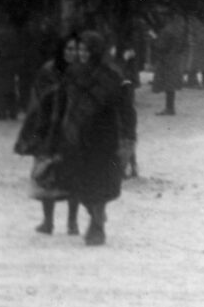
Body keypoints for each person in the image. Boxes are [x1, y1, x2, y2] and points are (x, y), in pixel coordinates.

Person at [58, 30, 125, 246]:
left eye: (87, 50)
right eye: (80, 50)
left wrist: (128, 136)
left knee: (99, 181)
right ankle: (95, 215)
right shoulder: (73, 72)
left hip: (103, 135)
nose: (82, 54)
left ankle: (97, 226)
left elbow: (124, 107)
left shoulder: (111, 75)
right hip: (78, 134)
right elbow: (66, 102)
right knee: (81, 183)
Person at [15, 33, 80, 236]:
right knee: (46, 174)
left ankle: (72, 222)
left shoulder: (82, 71)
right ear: (62, 50)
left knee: (73, 176)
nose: (72, 53)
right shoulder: (48, 71)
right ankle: (48, 221)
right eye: (68, 49)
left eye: (75, 49)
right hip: (48, 129)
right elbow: (37, 100)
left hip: (72, 129)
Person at [151, 13, 187, 116]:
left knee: (168, 84)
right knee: (171, 85)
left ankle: (169, 108)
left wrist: (154, 38)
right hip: (175, 59)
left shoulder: (167, 30)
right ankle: (170, 107)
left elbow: (160, 45)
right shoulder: (179, 29)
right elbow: (184, 45)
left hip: (166, 59)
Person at [0, 13, 21, 120]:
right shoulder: (12, 32)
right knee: (10, 88)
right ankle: (13, 112)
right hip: (11, 64)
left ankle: (0, 113)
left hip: (0, 65)